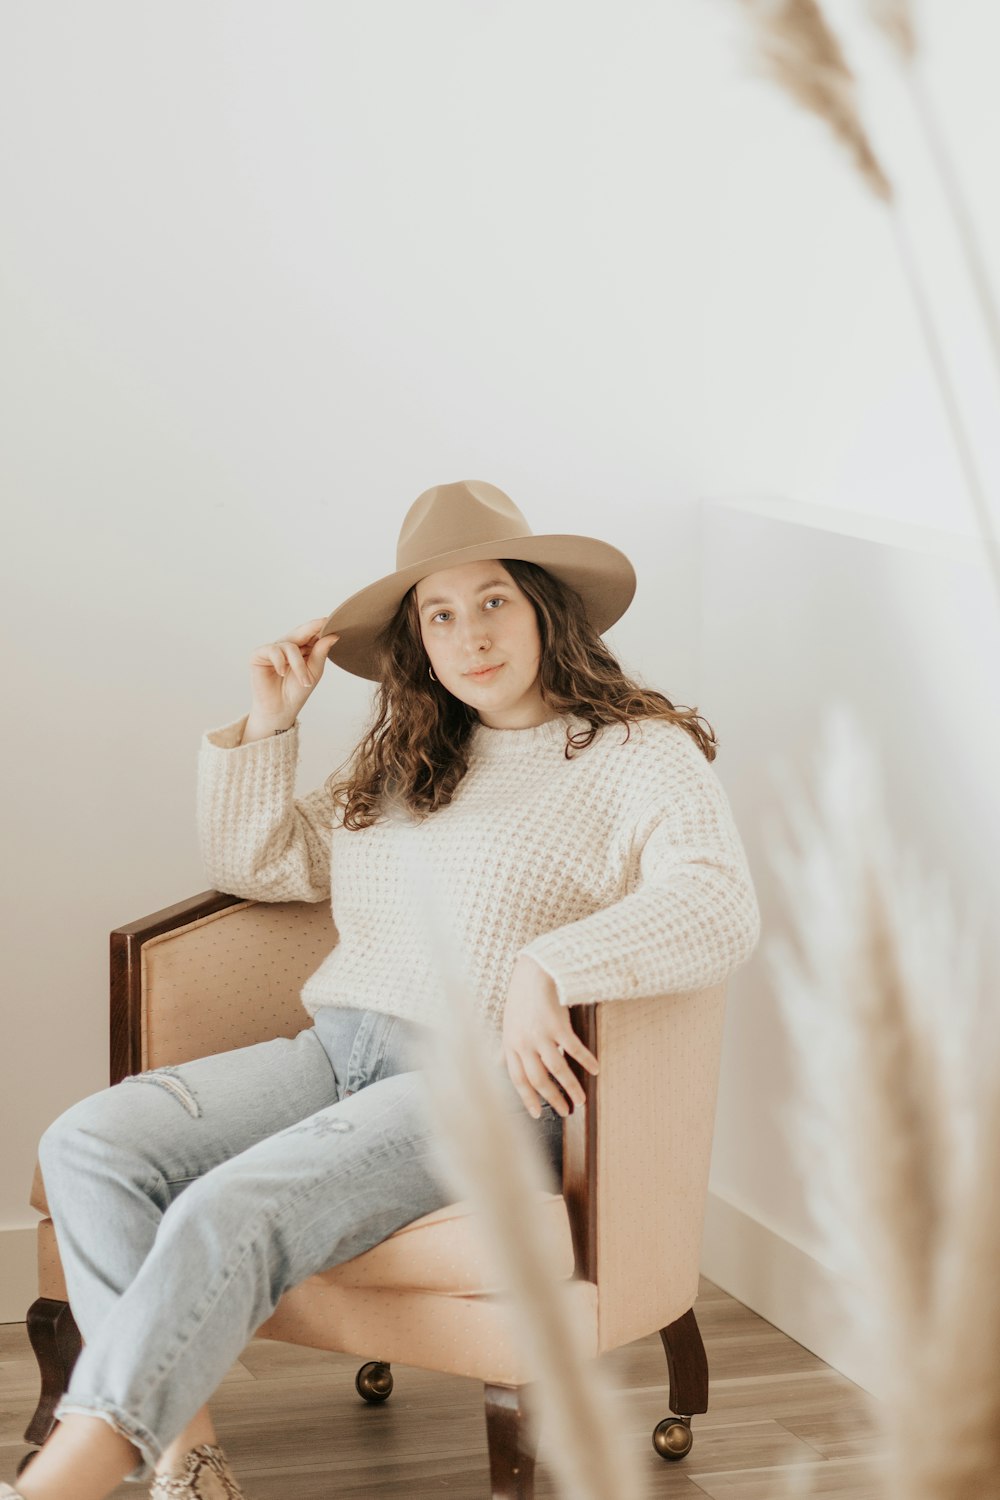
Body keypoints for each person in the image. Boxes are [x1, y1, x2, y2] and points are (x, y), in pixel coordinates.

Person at [6, 480, 761, 1500]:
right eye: (438, 615)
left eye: (492, 600)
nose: (469, 635)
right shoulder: (410, 757)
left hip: (490, 1085)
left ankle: (73, 1477)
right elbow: (260, 867)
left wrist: (552, 965)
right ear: (416, 642)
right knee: (89, 1144)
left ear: (545, 605)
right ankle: (188, 1454)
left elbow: (717, 904)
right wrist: (271, 724)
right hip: (340, 1056)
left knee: (233, 1205)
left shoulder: (636, 754)